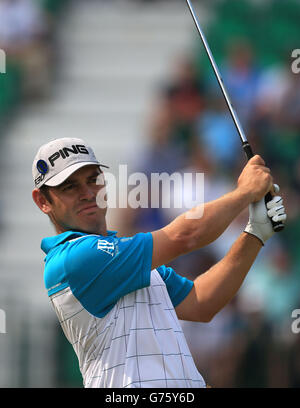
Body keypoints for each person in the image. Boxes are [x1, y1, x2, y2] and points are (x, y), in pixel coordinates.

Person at [32, 137, 286, 388]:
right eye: (69, 187)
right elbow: (185, 236)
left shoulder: (127, 260)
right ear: (42, 201)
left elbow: (202, 303)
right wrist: (243, 193)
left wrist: (255, 233)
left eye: (93, 180)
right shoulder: (74, 258)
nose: (87, 194)